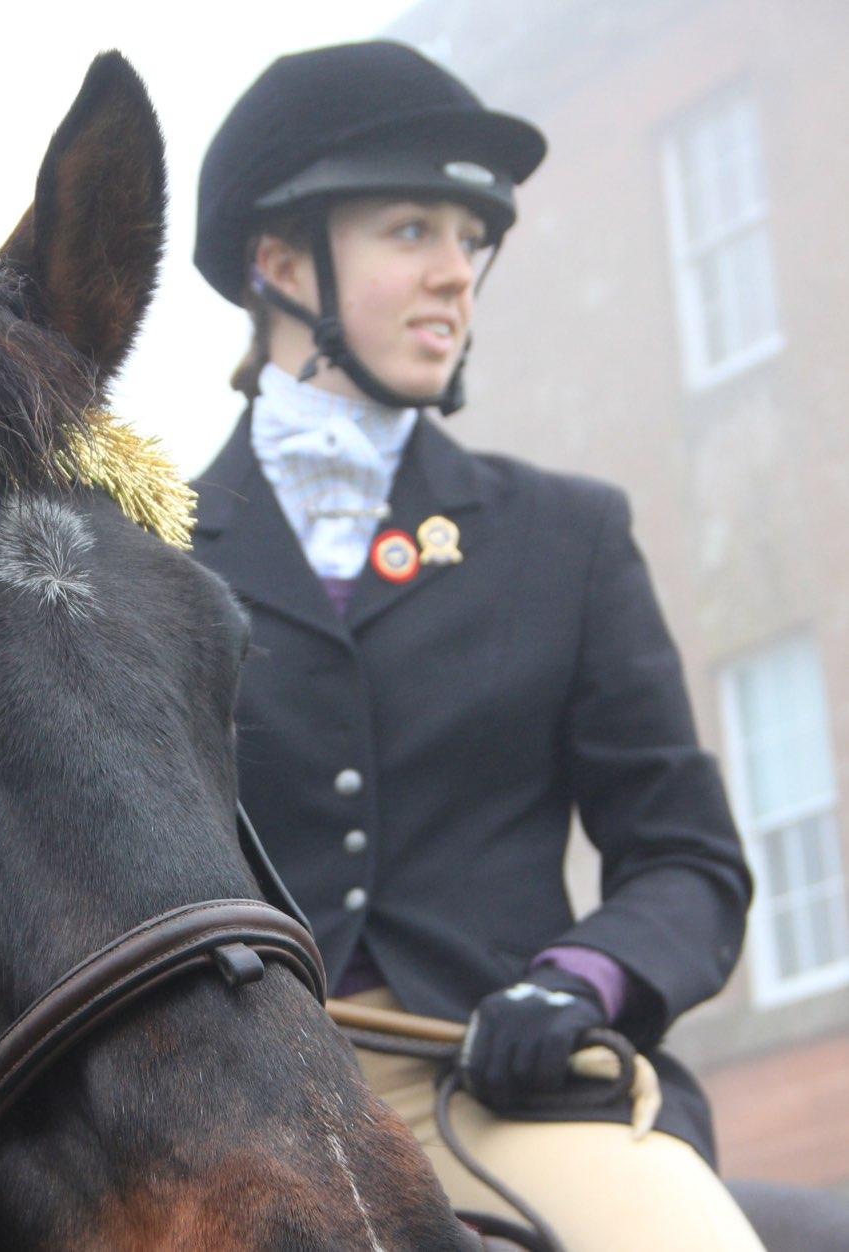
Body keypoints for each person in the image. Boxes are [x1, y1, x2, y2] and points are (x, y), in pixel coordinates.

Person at [190, 40, 762, 1250]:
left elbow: (685, 861)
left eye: (468, 239)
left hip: (490, 1086)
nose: (456, 274)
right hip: (226, 1108)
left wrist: (577, 980)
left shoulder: (566, 536)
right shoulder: (151, 559)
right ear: (278, 261)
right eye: (411, 231)